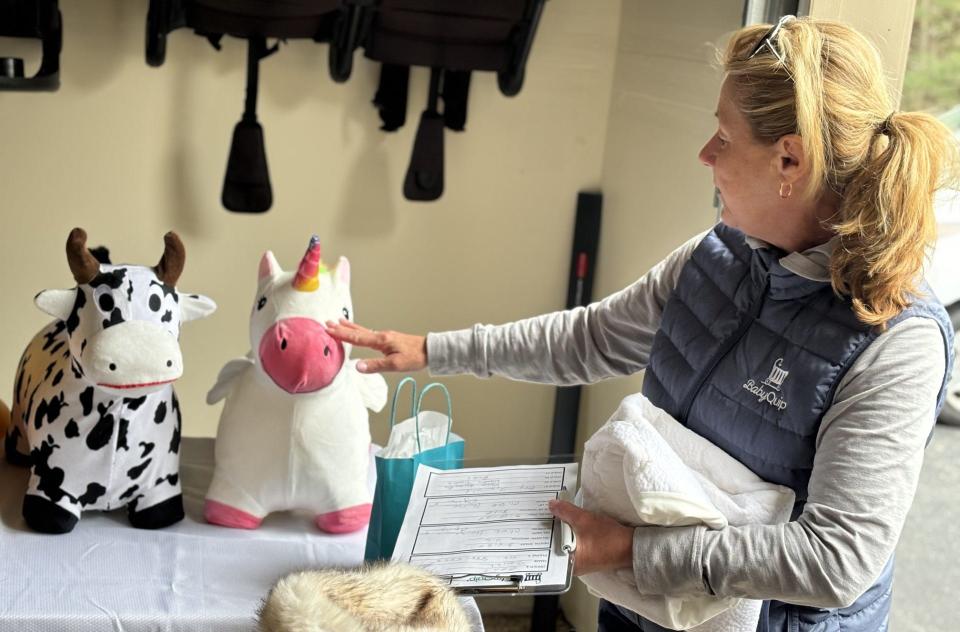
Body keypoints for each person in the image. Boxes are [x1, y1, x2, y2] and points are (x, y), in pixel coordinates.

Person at [325, 16, 958, 632]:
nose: (705, 153)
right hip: (646, 605)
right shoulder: (720, 255)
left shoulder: (897, 342)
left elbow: (838, 561)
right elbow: (590, 339)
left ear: (789, 161)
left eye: (725, 138)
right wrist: (431, 349)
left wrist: (633, 551)